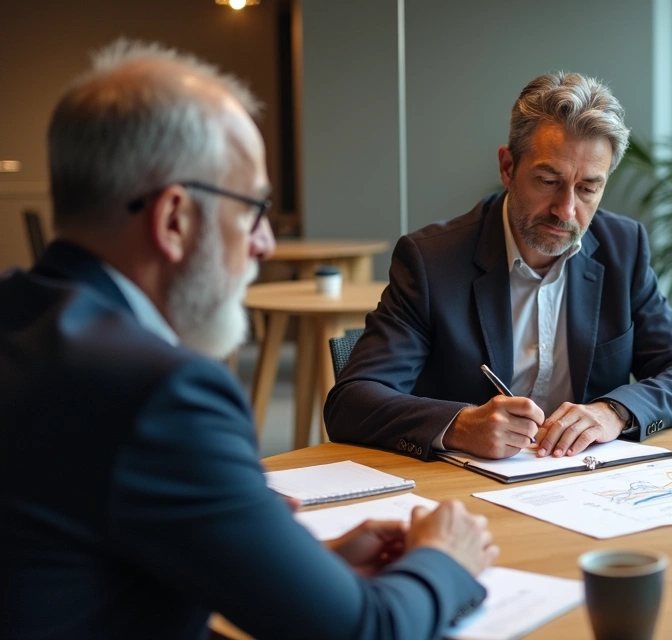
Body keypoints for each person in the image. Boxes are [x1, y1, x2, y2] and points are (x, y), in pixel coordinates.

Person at [0, 41, 496, 639]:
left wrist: (297, 573)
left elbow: (74, 571)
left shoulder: (19, 317)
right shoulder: (163, 394)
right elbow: (368, 632)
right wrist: (444, 559)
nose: (262, 242)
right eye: (252, 208)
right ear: (175, 220)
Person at [324, 72, 672, 461]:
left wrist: (613, 411)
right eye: (548, 181)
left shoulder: (623, 249)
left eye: (587, 189)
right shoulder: (431, 262)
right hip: (464, 494)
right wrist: (459, 425)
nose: (566, 210)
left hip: (588, 489)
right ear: (508, 167)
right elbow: (352, 400)